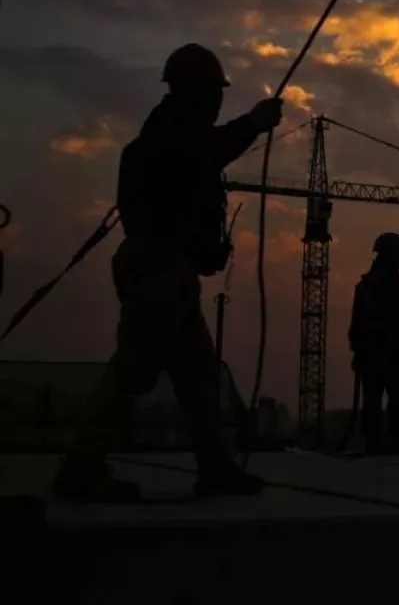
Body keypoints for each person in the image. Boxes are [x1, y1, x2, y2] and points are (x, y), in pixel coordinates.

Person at [51, 43, 284, 502]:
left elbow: (189, 191)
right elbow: (205, 155)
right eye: (213, 92)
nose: (218, 101)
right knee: (134, 371)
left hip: (171, 272)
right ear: (194, 92)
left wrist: (203, 253)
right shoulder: (171, 135)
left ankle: (215, 467)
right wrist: (253, 124)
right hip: (156, 271)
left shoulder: (174, 134)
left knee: (198, 376)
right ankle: (81, 466)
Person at [348, 232, 399, 455]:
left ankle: (384, 441)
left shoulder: (377, 284)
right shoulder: (376, 286)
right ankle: (381, 441)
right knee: (384, 398)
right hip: (382, 353)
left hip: (382, 353)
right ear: (389, 255)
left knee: (394, 397)